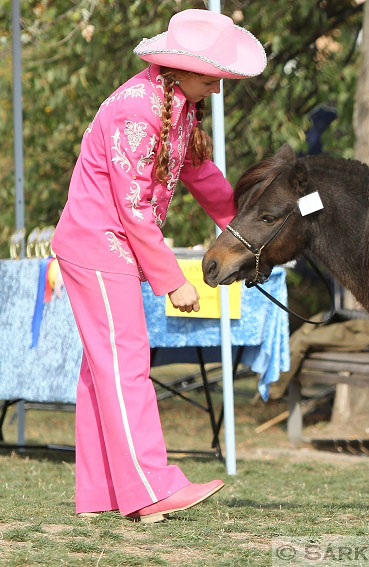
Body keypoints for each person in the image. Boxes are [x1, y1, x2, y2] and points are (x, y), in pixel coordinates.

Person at [51, 9, 266, 522]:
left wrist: (247, 228)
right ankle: (150, 490)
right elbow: (134, 209)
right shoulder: (137, 112)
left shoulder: (175, 105)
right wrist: (174, 281)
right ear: (182, 70)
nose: (218, 89)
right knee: (126, 365)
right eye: (213, 78)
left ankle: (103, 492)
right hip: (98, 246)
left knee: (104, 370)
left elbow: (202, 174)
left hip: (108, 246)